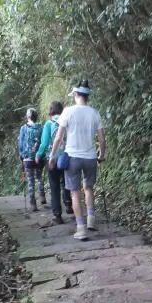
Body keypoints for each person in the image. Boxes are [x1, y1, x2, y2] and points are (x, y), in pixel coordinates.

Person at [48, 79, 105, 240]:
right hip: (90, 157)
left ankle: (81, 228)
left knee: (75, 193)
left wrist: (52, 156)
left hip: (72, 157)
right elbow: (101, 139)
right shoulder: (94, 113)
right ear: (87, 96)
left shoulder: (68, 112)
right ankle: (91, 218)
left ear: (75, 95)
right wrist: (101, 155)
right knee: (89, 188)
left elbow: (58, 138)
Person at [36, 100, 72, 224]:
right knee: (66, 181)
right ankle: (68, 204)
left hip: (52, 159)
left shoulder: (48, 124)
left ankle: (57, 215)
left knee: (54, 186)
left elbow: (44, 143)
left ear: (51, 110)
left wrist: (38, 154)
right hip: (66, 156)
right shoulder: (66, 121)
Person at [18, 108, 45, 211]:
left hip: (28, 159)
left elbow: (21, 143)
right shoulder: (40, 127)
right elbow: (43, 141)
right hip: (39, 158)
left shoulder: (24, 128)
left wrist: (21, 154)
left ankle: (33, 203)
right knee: (39, 177)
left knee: (30, 180)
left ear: (28, 116)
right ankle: (42, 196)